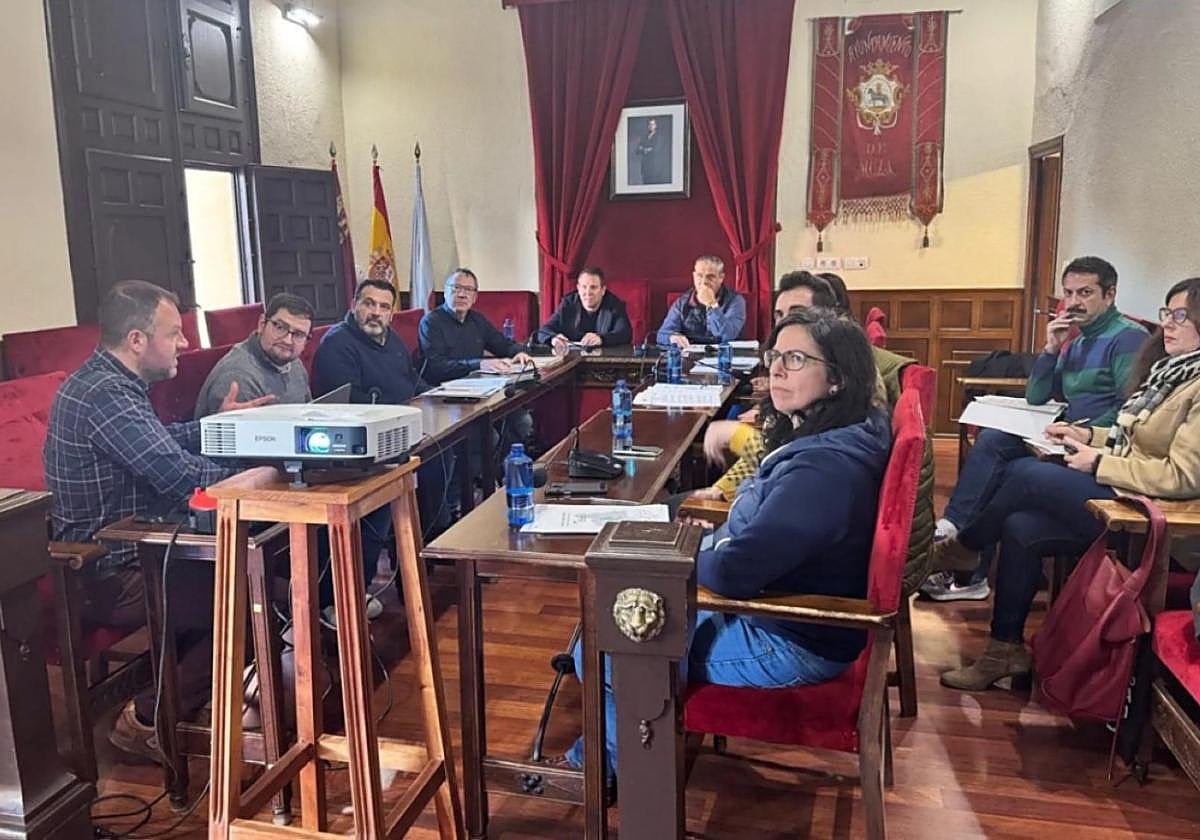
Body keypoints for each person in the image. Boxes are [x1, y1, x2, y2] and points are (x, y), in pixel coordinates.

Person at [553, 307, 890, 779]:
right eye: (776, 355)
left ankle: (612, 772)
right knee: (617, 607)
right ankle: (622, 752)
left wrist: (692, 549)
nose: (775, 368)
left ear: (836, 379)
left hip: (788, 634)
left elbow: (735, 574)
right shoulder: (834, 434)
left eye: (795, 359)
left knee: (608, 648)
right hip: (771, 599)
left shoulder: (824, 469)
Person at [43, 280, 272, 763]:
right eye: (174, 333)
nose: (186, 344)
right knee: (254, 600)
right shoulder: (105, 394)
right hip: (107, 571)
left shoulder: (112, 383)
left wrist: (220, 424)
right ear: (137, 340)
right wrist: (263, 472)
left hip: (138, 550)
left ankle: (185, 695)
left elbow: (162, 441)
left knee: (250, 578)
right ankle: (145, 719)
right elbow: (178, 477)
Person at [939, 277, 1200, 692]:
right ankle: (1003, 650)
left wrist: (1099, 461)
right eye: (1167, 313)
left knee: (1026, 474)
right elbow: (1125, 433)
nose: (1168, 323)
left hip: (1156, 518)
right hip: (1127, 494)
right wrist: (1086, 437)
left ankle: (965, 548)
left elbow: (1183, 477)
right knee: (1021, 526)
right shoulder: (1172, 373)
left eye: (1181, 315)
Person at [923, 256, 1148, 601]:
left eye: (1085, 292)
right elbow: (1037, 394)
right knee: (993, 440)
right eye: (1069, 293)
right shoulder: (1076, 338)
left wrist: (1084, 433)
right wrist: (1050, 349)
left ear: (1110, 294)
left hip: (1095, 446)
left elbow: (1129, 411)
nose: (1074, 302)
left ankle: (965, 562)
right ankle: (956, 535)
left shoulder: (1128, 340)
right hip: (1063, 432)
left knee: (1009, 469)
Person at [311, 278, 454, 622]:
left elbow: (409, 382)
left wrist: (439, 394)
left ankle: (428, 550)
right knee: (388, 494)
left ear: (392, 313)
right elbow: (350, 403)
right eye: (369, 304)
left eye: (384, 307)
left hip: (400, 431)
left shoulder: (390, 340)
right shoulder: (337, 345)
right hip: (356, 449)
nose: (376, 312)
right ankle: (340, 597)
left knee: (444, 454)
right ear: (354, 304)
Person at [194, 292, 314, 419]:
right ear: (262, 324)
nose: (287, 340)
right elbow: (241, 437)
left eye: (299, 335)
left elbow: (307, 413)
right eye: (280, 327)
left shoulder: (292, 360)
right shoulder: (238, 377)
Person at [418, 267, 535, 384]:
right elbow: (437, 367)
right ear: (445, 292)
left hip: (475, 385)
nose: (462, 295)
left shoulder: (477, 320)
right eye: (456, 288)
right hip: (440, 390)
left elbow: (502, 344)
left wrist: (519, 353)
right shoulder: (430, 322)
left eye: (468, 290)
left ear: (475, 298)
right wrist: (480, 364)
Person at [656, 255, 747, 348]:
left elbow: (726, 336)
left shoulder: (736, 301)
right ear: (694, 276)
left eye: (710, 277)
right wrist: (672, 338)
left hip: (725, 357)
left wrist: (712, 304)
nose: (704, 282)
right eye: (699, 276)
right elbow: (662, 335)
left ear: (721, 278)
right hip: (691, 357)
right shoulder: (682, 302)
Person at [536, 266, 632, 351]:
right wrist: (553, 339)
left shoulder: (614, 305)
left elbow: (625, 333)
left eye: (593, 287)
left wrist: (601, 339)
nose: (588, 292)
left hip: (603, 362)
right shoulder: (568, 304)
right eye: (584, 287)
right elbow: (543, 331)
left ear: (603, 290)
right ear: (578, 288)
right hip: (571, 360)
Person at [634, 117, 670, 184]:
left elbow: (655, 150)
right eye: (649, 124)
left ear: (655, 126)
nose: (651, 126)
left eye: (652, 124)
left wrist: (643, 149)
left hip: (654, 167)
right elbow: (637, 150)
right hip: (645, 167)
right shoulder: (644, 137)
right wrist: (647, 149)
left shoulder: (658, 137)